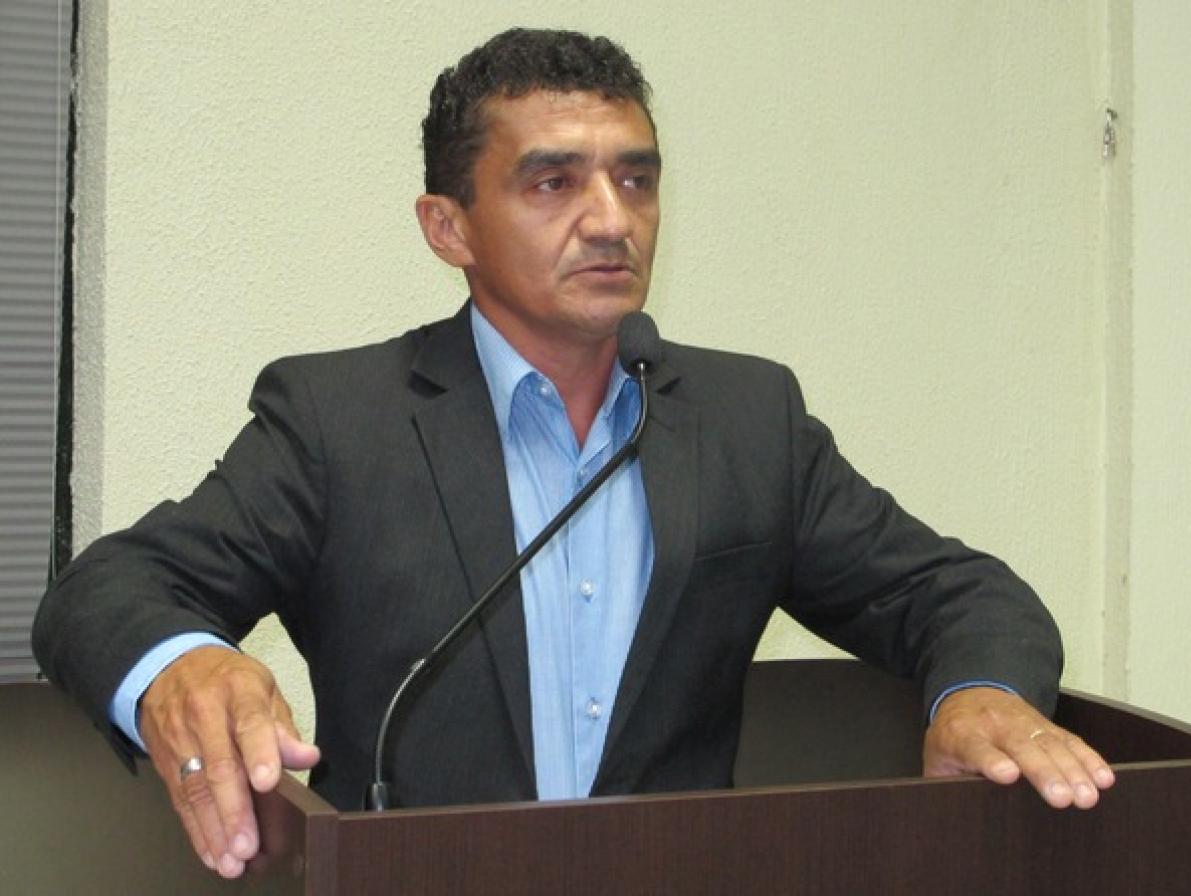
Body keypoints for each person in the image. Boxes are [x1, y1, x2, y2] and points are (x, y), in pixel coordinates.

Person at [33, 28, 1113, 880]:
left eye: (635, 180)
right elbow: (106, 589)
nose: (611, 220)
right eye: (553, 182)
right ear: (448, 227)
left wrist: (977, 691)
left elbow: (955, 592)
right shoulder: (341, 420)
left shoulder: (745, 419)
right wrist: (179, 663)